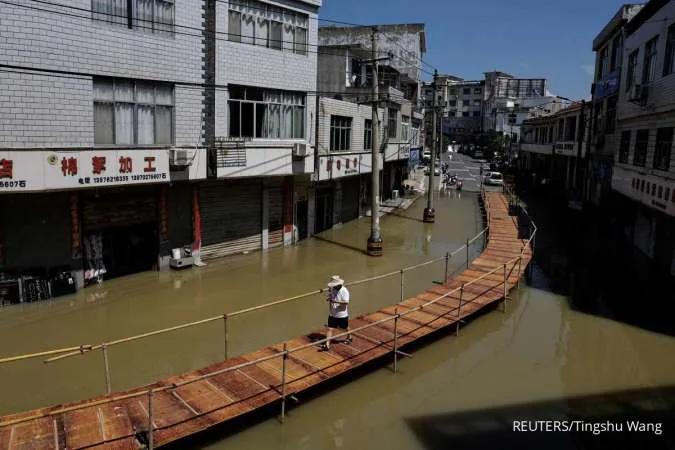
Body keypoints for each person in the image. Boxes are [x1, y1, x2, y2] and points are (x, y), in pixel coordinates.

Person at [321, 275, 351, 351]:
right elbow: (330, 294)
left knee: (344, 327)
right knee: (329, 328)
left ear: (339, 284)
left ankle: (349, 336)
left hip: (342, 314)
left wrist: (335, 301)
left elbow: (346, 302)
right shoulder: (332, 288)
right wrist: (329, 298)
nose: (333, 287)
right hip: (332, 313)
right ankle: (327, 344)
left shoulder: (344, 290)